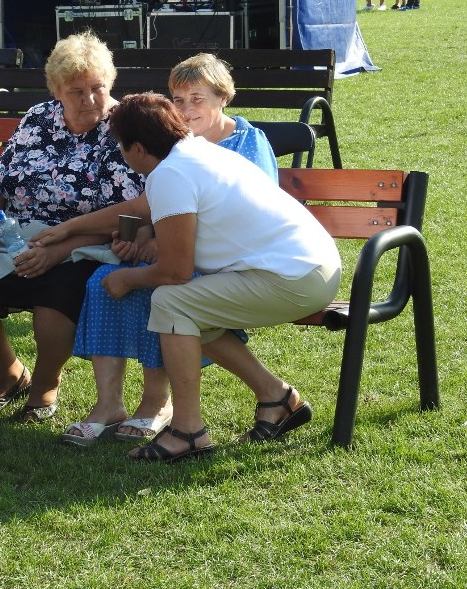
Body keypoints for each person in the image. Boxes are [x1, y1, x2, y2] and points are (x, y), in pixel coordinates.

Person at [50, 54, 278, 446]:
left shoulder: (242, 144)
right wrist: (132, 237)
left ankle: (157, 402)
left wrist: (155, 245)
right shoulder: (174, 143)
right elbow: (144, 205)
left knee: (161, 294)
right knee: (103, 281)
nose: (187, 109)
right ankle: (108, 404)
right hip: (177, 252)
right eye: (179, 99)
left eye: (197, 98)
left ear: (223, 97)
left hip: (223, 260)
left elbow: (230, 217)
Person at [102, 93, 341, 462]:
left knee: (171, 301)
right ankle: (276, 397)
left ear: (135, 147)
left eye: (120, 144)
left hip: (296, 278)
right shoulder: (198, 152)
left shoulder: (170, 174)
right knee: (189, 308)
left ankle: (188, 431)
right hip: (311, 269)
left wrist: (126, 279)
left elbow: (175, 272)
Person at [0, 31, 144, 425]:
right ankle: (9, 374)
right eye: (75, 91)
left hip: (89, 245)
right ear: (56, 90)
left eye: (97, 88)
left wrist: (60, 249)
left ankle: (45, 385)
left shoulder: (128, 126)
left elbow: (135, 211)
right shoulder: (37, 119)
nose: (89, 100)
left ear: (110, 84)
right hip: (18, 235)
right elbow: (3, 181)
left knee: (52, 304)